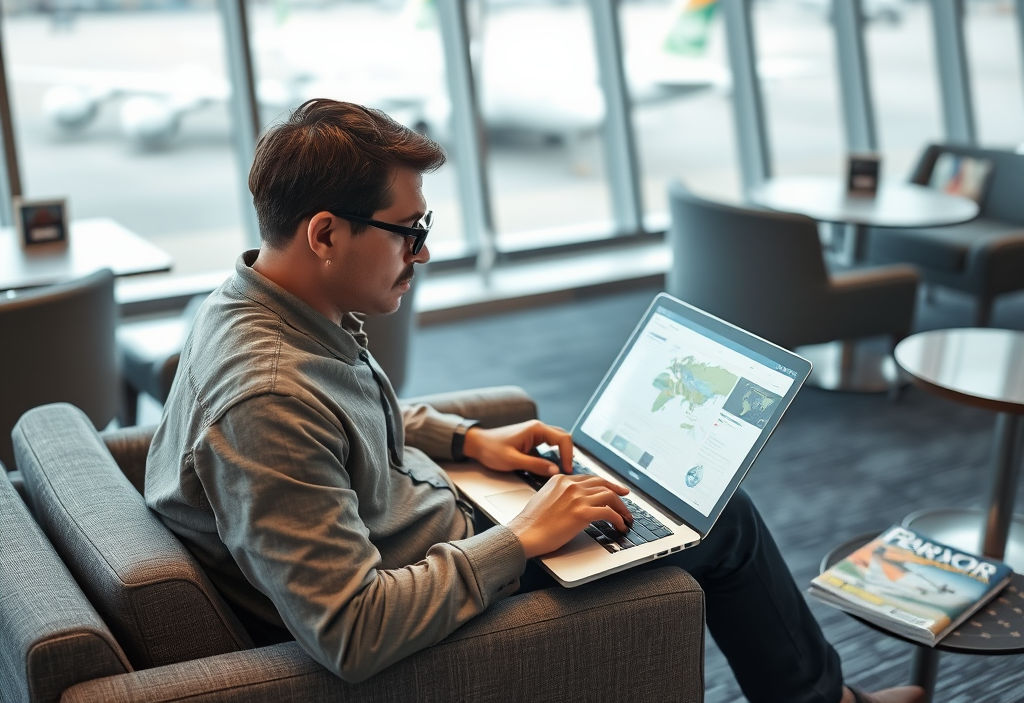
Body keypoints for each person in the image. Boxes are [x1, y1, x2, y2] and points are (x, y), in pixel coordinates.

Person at [145, 99, 922, 703]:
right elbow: (351, 631)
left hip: (433, 524)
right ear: (324, 234)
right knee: (722, 522)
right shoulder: (266, 396)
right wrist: (522, 538)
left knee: (652, 496)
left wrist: (465, 442)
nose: (422, 253)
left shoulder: (248, 301)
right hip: (441, 582)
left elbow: (336, 425)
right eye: (408, 231)